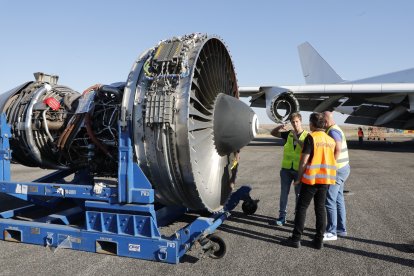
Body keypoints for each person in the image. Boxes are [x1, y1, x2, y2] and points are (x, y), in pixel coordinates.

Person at [282, 112, 337, 249]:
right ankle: (319, 241)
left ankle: (296, 238)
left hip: (311, 180)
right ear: (323, 124)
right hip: (325, 180)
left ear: (312, 124)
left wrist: (298, 179)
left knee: (301, 208)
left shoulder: (311, 137)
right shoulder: (330, 140)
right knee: (320, 209)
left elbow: (304, 161)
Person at [270, 112, 309, 226]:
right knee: (284, 194)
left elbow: (305, 147)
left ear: (300, 121)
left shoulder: (307, 136)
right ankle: (282, 217)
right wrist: (279, 127)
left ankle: (298, 217)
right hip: (286, 170)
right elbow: (273, 133)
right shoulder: (288, 134)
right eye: (293, 122)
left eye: (297, 121)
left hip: (299, 170)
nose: (295, 124)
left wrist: (296, 138)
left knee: (298, 195)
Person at [323, 111, 351, 241]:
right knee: (338, 198)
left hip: (338, 170)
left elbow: (338, 149)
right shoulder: (336, 128)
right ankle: (341, 229)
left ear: (325, 121)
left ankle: (331, 231)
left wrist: (332, 166)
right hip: (344, 168)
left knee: (329, 200)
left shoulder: (332, 131)